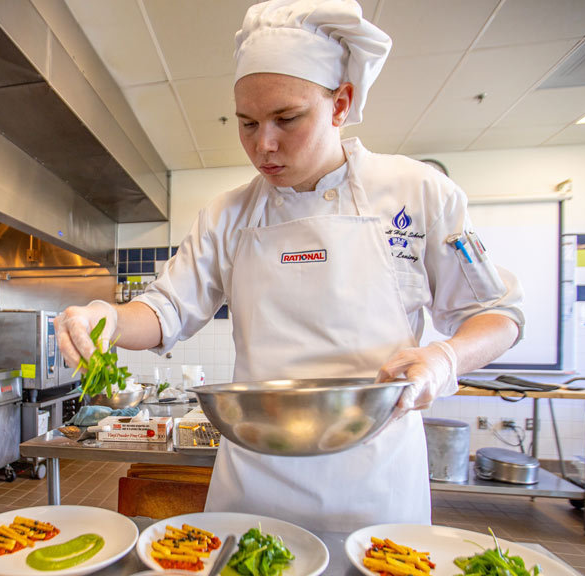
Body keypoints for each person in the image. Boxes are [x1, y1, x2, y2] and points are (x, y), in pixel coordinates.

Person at [56, 0, 523, 532]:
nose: (264, 145)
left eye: (287, 119)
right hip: (256, 481)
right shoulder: (227, 215)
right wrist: (109, 319)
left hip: (375, 482)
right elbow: (164, 310)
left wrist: (445, 357)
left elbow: (499, 314)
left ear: (340, 104)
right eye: (248, 123)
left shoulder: (419, 194)